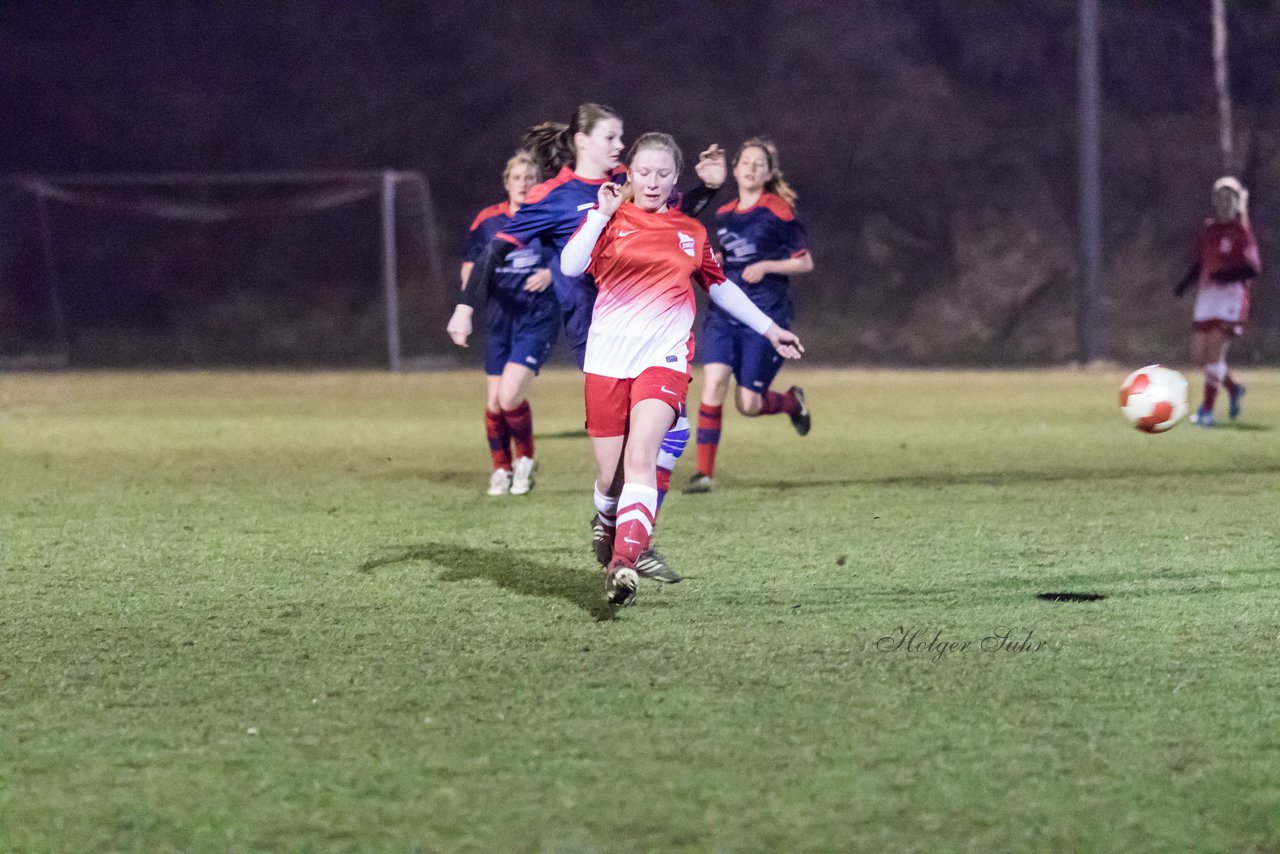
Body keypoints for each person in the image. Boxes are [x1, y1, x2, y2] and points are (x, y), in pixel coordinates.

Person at [560, 132, 804, 606]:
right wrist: (601, 216)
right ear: (630, 174)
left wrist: (769, 328)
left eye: (663, 174)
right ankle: (608, 526)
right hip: (607, 359)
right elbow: (570, 266)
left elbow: (719, 286)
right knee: (610, 478)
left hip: (664, 357)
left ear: (675, 179)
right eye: (644, 172)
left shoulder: (689, 231)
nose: (652, 182)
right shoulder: (607, 218)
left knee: (642, 457)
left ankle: (623, 566)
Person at [446, 103, 727, 506]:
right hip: (593, 334)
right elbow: (495, 248)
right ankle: (613, 530)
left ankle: (630, 544)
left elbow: (675, 214)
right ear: (582, 141)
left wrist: (710, 188)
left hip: (647, 329)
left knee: (651, 441)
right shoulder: (552, 196)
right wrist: (464, 306)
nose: (620, 145)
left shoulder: (626, 181)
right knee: (623, 459)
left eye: (621, 136)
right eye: (611, 137)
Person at [685, 137, 815, 494]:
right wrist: (720, 262)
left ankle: (791, 401)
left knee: (748, 404)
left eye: (760, 164)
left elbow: (805, 261)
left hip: (767, 315)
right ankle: (704, 474)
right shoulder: (725, 214)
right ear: (736, 167)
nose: (751, 168)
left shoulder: (779, 211)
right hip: (724, 315)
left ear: (769, 172)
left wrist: (766, 265)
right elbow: (724, 258)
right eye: (746, 162)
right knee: (712, 384)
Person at [459, 152, 557, 495]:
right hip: (500, 317)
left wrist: (551, 272)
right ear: (507, 182)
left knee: (510, 396)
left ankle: (525, 460)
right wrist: (465, 306)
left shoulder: (549, 218)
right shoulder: (488, 220)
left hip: (536, 317)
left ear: (538, 183)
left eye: (530, 178)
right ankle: (501, 469)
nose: (523, 184)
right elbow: (471, 263)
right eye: (517, 177)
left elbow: (574, 257)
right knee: (494, 403)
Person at [1174, 175, 1261, 427]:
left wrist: (1224, 276)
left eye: (1229, 197)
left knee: (1213, 355)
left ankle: (1207, 412)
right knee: (1198, 355)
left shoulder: (1241, 231)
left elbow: (1252, 269)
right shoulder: (1208, 229)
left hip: (1231, 300)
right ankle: (1233, 389)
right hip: (1207, 299)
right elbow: (1202, 263)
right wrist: (1185, 283)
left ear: (1237, 202)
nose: (1224, 202)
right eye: (1220, 197)